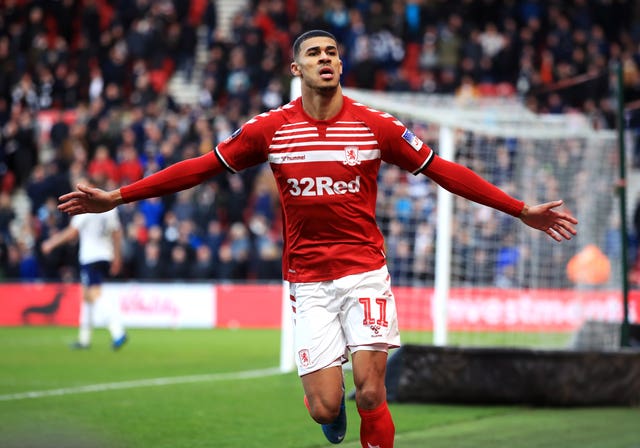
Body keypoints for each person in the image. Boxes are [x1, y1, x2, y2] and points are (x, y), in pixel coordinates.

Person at [57, 30, 577, 447]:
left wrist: (519, 209)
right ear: (296, 69)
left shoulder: (378, 127)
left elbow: (444, 170)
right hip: (308, 283)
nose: (325, 58)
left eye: (332, 52)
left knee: (371, 392)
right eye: (314, 53)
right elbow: (199, 169)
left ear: (341, 66)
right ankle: (330, 419)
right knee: (328, 406)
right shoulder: (270, 129)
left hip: (366, 273)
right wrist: (120, 196)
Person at [42, 178, 127, 351]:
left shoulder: (85, 205)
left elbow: (72, 233)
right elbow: (117, 232)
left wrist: (51, 243)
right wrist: (117, 257)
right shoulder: (108, 204)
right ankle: (84, 339)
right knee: (86, 296)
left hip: (91, 257)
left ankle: (117, 331)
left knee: (94, 295)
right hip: (105, 255)